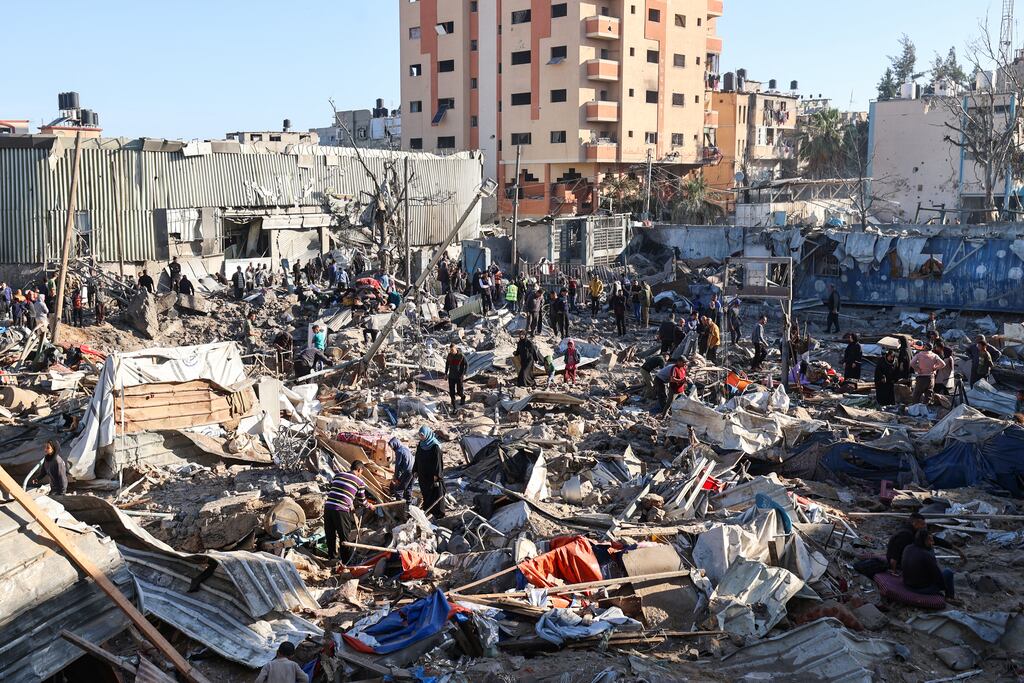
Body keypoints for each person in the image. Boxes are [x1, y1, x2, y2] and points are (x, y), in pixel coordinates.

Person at [324, 461, 373, 563]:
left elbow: (337, 491)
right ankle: (346, 562)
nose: (360, 474)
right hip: (341, 510)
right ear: (359, 470)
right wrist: (370, 506)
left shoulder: (338, 475)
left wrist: (350, 503)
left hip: (328, 507)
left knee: (330, 534)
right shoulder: (359, 482)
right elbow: (362, 501)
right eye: (361, 472)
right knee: (344, 537)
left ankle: (332, 558)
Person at [887, 512, 963, 571]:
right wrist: (894, 571)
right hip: (899, 564)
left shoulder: (915, 531)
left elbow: (936, 540)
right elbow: (895, 555)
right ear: (915, 523)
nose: (924, 526)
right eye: (922, 524)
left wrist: (957, 549)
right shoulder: (905, 534)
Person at [901, 529, 959, 605]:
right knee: (948, 572)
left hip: (907, 584)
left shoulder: (907, 548)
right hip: (921, 589)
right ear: (923, 541)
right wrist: (943, 587)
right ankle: (950, 597)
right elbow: (938, 577)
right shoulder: (926, 555)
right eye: (930, 540)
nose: (933, 543)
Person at [415, 426, 446, 516]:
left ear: (428, 434)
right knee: (426, 493)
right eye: (420, 435)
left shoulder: (435, 447)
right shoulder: (421, 445)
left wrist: (437, 475)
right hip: (423, 475)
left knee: (435, 493)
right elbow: (417, 458)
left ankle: (438, 513)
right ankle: (428, 510)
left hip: (432, 476)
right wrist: (415, 470)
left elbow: (438, 463)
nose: (421, 437)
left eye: (422, 435)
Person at [389, 436, 415, 503]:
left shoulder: (399, 451)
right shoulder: (405, 448)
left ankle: (399, 505)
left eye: (391, 446)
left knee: (399, 490)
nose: (391, 448)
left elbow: (398, 466)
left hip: (408, 471)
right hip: (415, 470)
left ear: (395, 444)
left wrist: (396, 478)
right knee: (409, 488)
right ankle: (409, 504)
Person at [445, 343, 467, 410]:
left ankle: (463, 397)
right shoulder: (449, 356)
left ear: (456, 349)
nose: (451, 351)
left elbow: (466, 365)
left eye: (452, 350)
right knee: (451, 392)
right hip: (451, 376)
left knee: (459, 391)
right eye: (450, 350)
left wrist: (464, 374)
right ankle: (454, 406)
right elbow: (447, 365)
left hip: (459, 376)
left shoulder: (461, 356)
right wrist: (445, 374)